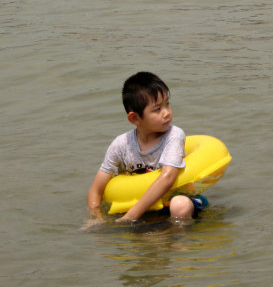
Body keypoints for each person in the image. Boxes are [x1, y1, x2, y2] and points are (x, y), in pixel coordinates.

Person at [85, 72, 207, 226]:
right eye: (157, 109)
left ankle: (176, 242)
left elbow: (168, 177)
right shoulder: (121, 145)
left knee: (180, 205)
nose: (167, 112)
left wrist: (130, 217)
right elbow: (96, 189)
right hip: (138, 204)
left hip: (171, 201)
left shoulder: (174, 136)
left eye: (167, 104)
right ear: (135, 118)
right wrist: (94, 217)